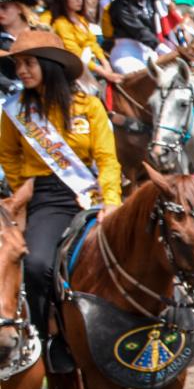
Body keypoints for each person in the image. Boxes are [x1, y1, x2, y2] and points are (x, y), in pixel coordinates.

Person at [0, 31, 121, 338]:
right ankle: (45, 340)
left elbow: (107, 159)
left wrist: (111, 200)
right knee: (38, 265)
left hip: (89, 192)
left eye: (29, 63)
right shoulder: (14, 111)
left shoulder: (89, 106)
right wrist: (22, 187)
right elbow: (8, 154)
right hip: (44, 198)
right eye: (18, 65)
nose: (22, 71)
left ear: (50, 64)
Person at [43, 0, 119, 88]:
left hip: (96, 65)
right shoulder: (60, 24)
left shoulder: (81, 19)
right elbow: (76, 55)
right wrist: (104, 72)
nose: (80, 0)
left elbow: (92, 43)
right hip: (79, 72)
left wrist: (105, 62)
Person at [105, 0, 176, 75]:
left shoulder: (144, 2)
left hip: (148, 51)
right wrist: (158, 46)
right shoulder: (118, 6)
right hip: (126, 55)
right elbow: (137, 30)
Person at [0, 0, 40, 96]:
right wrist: (12, 87)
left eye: (4, 7)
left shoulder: (41, 31)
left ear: (19, 8)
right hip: (6, 98)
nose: (0, 12)